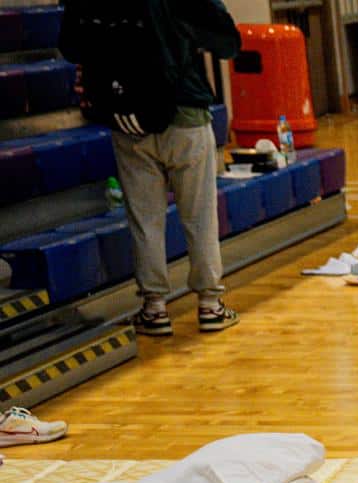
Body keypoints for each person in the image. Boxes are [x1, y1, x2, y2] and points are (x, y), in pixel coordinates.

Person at [59, 0, 241, 337]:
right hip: (184, 111)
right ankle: (209, 304)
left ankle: (155, 308)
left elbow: (70, 46)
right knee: (199, 215)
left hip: (125, 116)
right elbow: (228, 43)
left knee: (145, 219)